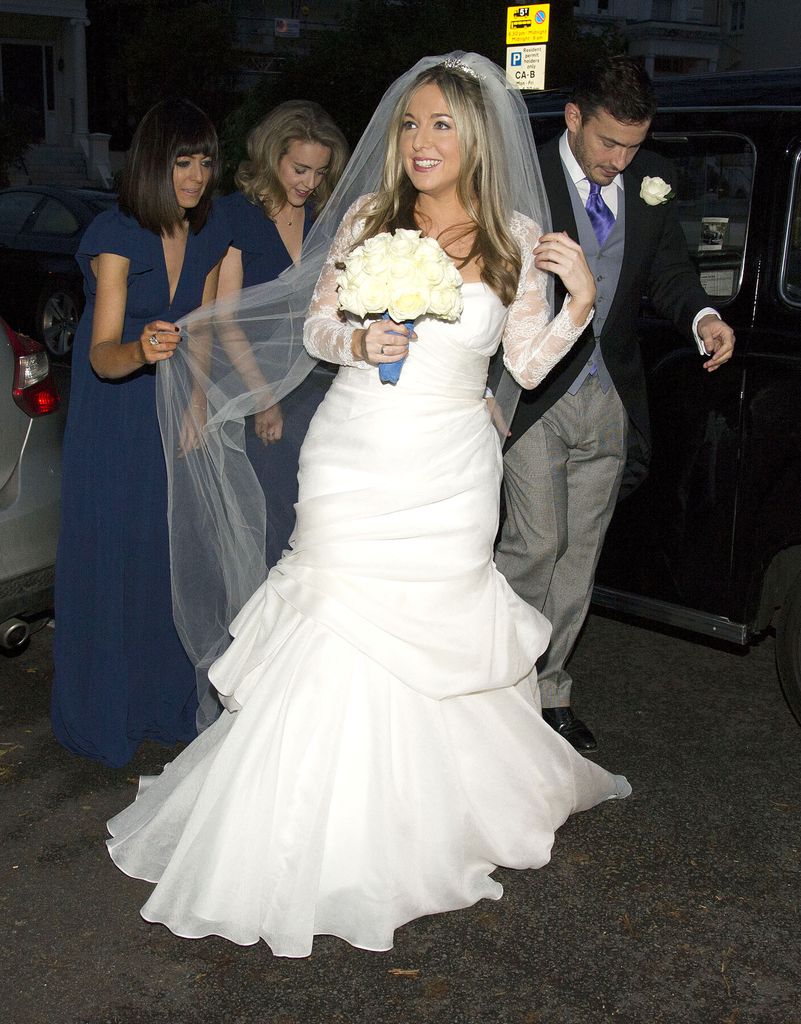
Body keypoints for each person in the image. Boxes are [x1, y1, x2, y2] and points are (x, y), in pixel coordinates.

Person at [106, 53, 630, 958]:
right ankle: (306, 823)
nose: (422, 142)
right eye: (411, 124)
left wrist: (578, 301)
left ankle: (425, 817)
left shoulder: (511, 234)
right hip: (352, 455)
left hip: (451, 468)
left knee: (431, 626)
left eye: (441, 125)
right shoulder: (364, 218)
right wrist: (358, 335)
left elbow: (528, 366)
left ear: (475, 137)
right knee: (334, 617)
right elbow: (315, 329)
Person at [495, 57, 736, 752]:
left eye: (633, 146)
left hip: (612, 398)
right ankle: (493, 687)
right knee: (535, 544)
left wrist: (701, 319)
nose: (621, 160)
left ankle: (549, 691)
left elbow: (666, 274)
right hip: (535, 392)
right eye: (608, 143)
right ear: (572, 118)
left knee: (578, 554)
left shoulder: (649, 184)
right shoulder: (521, 176)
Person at [51, 99, 230, 768]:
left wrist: (197, 403)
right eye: (182, 161)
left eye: (205, 162)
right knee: (115, 558)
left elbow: (205, 327)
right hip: (116, 415)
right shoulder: (115, 236)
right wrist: (144, 352)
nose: (195, 176)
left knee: (169, 556)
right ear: (155, 163)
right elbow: (100, 353)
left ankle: (165, 703)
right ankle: (106, 709)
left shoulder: (210, 234)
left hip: (173, 407)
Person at [216, 101, 349, 567]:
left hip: (319, 385)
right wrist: (264, 397)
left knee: (319, 510)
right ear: (273, 157)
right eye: (299, 168)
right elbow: (226, 320)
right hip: (257, 385)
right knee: (273, 515)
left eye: (319, 171)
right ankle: (267, 625)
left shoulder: (323, 217)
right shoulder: (235, 216)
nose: (309, 182)